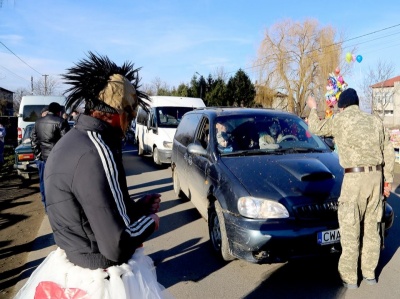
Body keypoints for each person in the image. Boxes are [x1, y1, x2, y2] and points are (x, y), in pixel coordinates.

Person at [15, 52, 171, 299]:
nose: (129, 124)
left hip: (72, 272)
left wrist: (136, 208)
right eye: (128, 115)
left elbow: (90, 211)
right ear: (112, 113)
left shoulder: (69, 142)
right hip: (102, 281)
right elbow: (116, 244)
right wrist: (149, 222)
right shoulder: (97, 150)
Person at [306, 88, 394, 289]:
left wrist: (313, 108)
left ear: (343, 106)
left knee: (350, 228)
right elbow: (387, 151)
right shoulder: (375, 121)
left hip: (353, 180)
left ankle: (350, 279)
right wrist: (387, 182)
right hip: (375, 178)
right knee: (372, 229)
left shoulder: (341, 119)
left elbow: (316, 128)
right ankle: (370, 274)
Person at [31, 102, 70, 209]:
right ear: (59, 111)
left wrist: (38, 155)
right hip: (57, 159)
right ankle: (58, 206)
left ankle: (46, 205)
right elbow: (66, 141)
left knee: (43, 182)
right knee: (59, 183)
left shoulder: (38, 122)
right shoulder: (61, 121)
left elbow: (34, 140)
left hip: (43, 157)